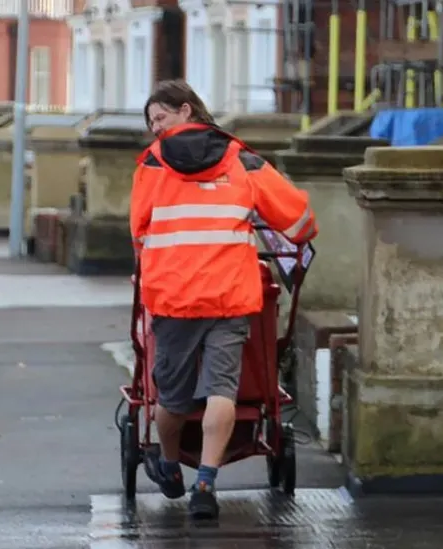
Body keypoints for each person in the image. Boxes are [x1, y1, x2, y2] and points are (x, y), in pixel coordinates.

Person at [129, 79, 318, 519]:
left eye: (161, 116)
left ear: (187, 110)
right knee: (222, 390)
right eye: (152, 120)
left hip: (174, 297)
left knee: (171, 399)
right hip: (231, 293)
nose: (156, 127)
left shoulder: (152, 166)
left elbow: (138, 231)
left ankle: (172, 467)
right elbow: (301, 220)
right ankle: (206, 484)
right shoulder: (243, 160)